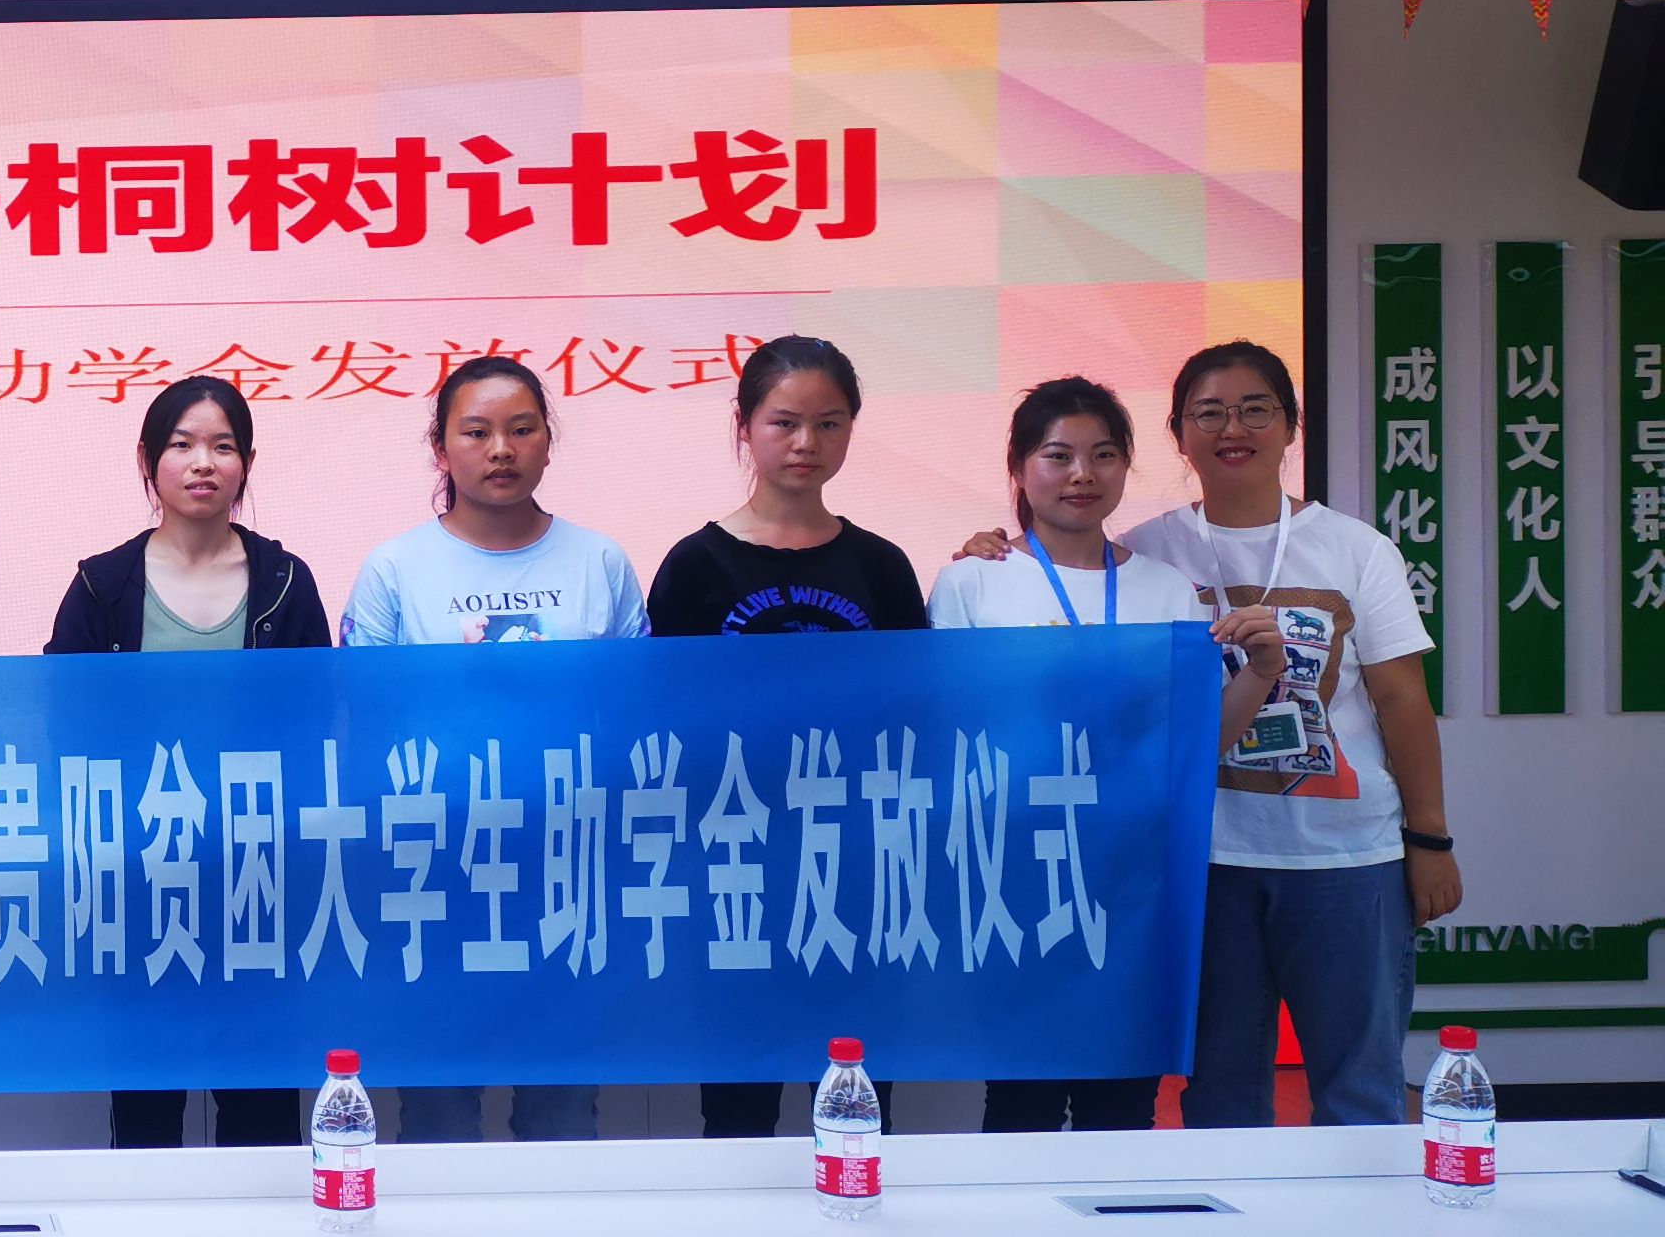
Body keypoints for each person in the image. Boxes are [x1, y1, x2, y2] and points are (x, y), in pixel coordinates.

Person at [1118, 341, 1456, 1129]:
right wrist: (994, 550)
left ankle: (1363, 1217)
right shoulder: (1143, 550)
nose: (1232, 429)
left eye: (1254, 410)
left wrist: (1430, 838)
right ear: (1179, 432)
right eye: (1209, 412)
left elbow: (1403, 700)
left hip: (1346, 859)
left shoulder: (1355, 548)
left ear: (1290, 425)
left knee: (1360, 1090)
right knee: (1220, 1095)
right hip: (1204, 862)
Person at [931, 378, 1273, 1135]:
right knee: (1019, 1099)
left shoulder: (1167, 588)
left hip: (1134, 878)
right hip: (1014, 876)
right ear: (1019, 467)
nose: (1082, 474)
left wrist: (1261, 674)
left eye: (1104, 455)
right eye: (1058, 455)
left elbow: (1195, 743)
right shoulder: (970, 583)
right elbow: (947, 735)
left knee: (1122, 1101)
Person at [346, 355, 646, 1146]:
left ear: (549, 440)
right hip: (436, 863)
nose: (501, 449)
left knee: (562, 1103)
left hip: (565, 862)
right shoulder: (395, 569)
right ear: (440, 447)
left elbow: (636, 712)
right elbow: (366, 720)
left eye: (522, 429)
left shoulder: (599, 562)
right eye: (476, 432)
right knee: (438, 1104)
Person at [647, 336, 928, 1138]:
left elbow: (916, 712)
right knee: (738, 1100)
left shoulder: (881, 566)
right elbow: (665, 721)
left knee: (854, 1091)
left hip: (858, 860)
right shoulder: (694, 565)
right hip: (735, 860)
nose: (807, 443)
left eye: (829, 424)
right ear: (744, 426)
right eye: (785, 423)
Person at [44, 374, 333, 1148]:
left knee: (259, 1090)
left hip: (257, 868)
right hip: (141, 871)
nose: (203, 462)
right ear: (148, 461)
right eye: (182, 445)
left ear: (247, 465)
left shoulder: (285, 583)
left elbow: (318, 721)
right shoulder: (102, 586)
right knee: (147, 1092)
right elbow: (62, 723)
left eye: (223, 446)